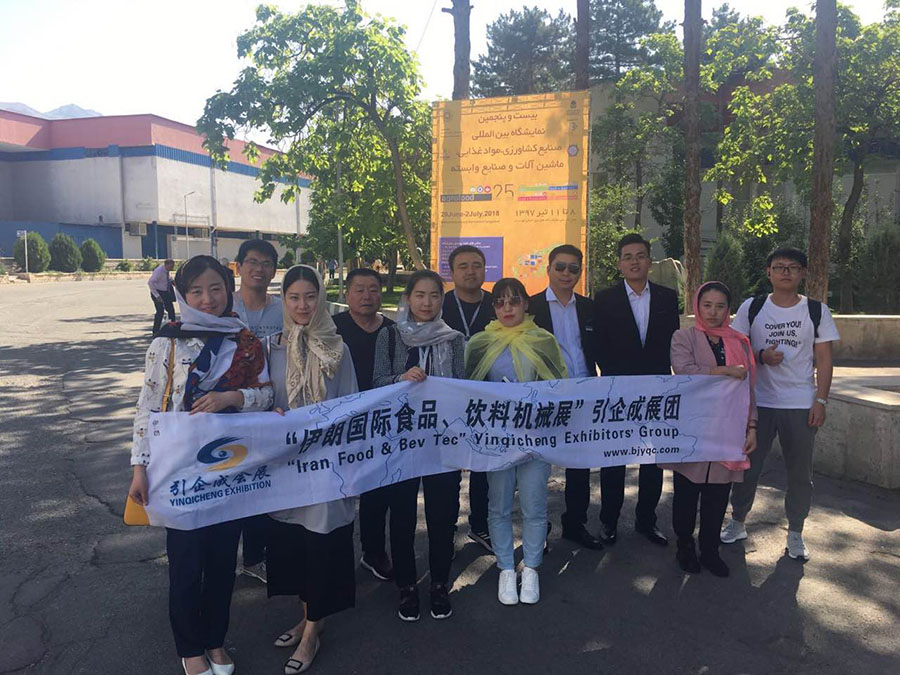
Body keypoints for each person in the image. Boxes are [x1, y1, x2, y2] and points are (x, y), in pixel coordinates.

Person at [128, 255, 273, 675]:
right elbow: (147, 408)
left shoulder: (246, 342)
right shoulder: (167, 342)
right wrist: (139, 467)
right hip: (178, 470)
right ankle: (190, 648)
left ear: (228, 289)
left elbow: (267, 396)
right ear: (183, 295)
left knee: (223, 562)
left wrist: (232, 398)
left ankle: (215, 640)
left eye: (215, 289)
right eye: (196, 291)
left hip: (230, 468)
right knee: (187, 564)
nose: (207, 299)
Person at [264, 265, 359, 674]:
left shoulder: (338, 347)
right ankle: (306, 617)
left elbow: (351, 403)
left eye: (310, 296)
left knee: (321, 543)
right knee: (295, 545)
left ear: (321, 299)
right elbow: (261, 398)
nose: (303, 305)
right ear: (284, 301)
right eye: (294, 297)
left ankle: (313, 632)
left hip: (325, 465)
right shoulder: (271, 347)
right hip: (286, 465)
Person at [721, 247, 839, 561]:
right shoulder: (752, 307)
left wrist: (821, 400)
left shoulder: (816, 311)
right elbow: (734, 350)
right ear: (768, 272)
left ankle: (796, 532)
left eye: (792, 267)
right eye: (779, 266)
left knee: (800, 474)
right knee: (747, 467)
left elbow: (825, 360)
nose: (785, 272)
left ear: (803, 273)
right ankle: (737, 521)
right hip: (757, 402)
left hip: (800, 403)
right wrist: (761, 356)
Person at [465, 277, 567, 605]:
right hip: (497, 439)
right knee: (498, 505)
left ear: (526, 303)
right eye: (500, 301)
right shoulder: (479, 343)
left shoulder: (543, 340)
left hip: (534, 438)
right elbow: (466, 390)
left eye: (514, 300)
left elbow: (559, 386)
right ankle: (506, 568)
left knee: (534, 505)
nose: (507, 307)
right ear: (493, 307)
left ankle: (532, 568)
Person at [372, 269, 465, 622]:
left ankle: (439, 583)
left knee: (444, 515)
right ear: (408, 298)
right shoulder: (391, 336)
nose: (427, 302)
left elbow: (461, 387)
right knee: (402, 516)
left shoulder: (454, 339)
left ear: (442, 300)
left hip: (442, 441)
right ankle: (407, 586)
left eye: (434, 295)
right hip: (401, 441)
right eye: (420, 295)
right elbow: (376, 383)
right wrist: (401, 379)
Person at [664, 282, 757, 577]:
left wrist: (752, 426)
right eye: (707, 305)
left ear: (728, 309)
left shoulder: (740, 342)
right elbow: (685, 371)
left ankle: (710, 550)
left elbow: (748, 389)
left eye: (720, 306)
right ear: (697, 306)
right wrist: (724, 371)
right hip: (692, 428)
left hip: (727, 429)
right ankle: (685, 547)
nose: (713, 312)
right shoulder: (684, 337)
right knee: (686, 493)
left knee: (718, 495)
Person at [529, 244, 603, 551]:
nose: (566, 273)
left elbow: (599, 348)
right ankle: (538, 530)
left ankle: (575, 524)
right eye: (560, 267)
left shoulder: (589, 307)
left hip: (583, 393)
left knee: (579, 466)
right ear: (548, 269)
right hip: (544, 397)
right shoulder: (531, 307)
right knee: (538, 467)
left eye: (573, 268)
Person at [332, 268, 396, 582]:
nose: (367, 296)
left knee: (377, 490)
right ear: (347, 294)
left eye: (373, 289)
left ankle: (373, 551)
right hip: (340, 424)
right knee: (337, 490)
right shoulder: (332, 329)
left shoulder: (394, 331)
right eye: (359, 289)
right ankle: (337, 556)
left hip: (382, 424)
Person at [232, 238, 284, 584]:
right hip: (227, 411)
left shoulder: (283, 309)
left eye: (266, 264)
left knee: (262, 485)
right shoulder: (223, 305)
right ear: (238, 267)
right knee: (227, 483)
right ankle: (222, 556)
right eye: (252, 262)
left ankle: (254, 557)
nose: (259, 269)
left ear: (274, 271)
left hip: (270, 408)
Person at [441, 245, 496, 553]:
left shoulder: (496, 303)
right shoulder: (440, 304)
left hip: (488, 397)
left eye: (477, 265)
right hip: (447, 398)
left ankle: (480, 525)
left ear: (485, 269)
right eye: (463, 266)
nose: (471, 271)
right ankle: (446, 528)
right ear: (451, 272)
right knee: (448, 468)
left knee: (483, 464)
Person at [148, 258, 177, 334]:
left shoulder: (166, 271)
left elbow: (168, 278)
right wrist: (157, 296)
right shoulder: (159, 271)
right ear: (166, 265)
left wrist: (173, 282)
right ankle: (156, 331)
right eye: (171, 266)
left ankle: (173, 328)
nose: (172, 268)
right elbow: (150, 283)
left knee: (171, 310)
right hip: (157, 292)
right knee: (160, 311)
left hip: (165, 292)